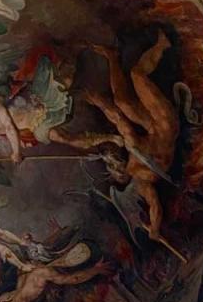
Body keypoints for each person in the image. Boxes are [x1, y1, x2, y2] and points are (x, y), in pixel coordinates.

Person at [79, 31, 186, 242]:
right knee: (138, 75)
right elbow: (155, 204)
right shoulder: (142, 181)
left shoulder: (131, 156)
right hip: (165, 125)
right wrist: (154, 228)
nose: (115, 169)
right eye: (116, 172)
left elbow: (119, 118)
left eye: (113, 169)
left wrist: (100, 102)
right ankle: (162, 46)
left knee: (123, 102)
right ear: (122, 183)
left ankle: (112, 57)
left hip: (152, 127)